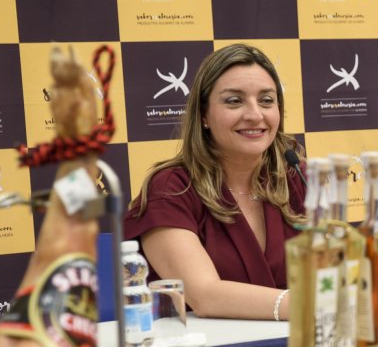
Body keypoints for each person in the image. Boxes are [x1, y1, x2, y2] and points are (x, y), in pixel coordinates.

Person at [123, 44, 305, 320]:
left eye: (266, 100)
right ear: (204, 115)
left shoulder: (295, 176)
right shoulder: (170, 189)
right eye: (234, 101)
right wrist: (316, 306)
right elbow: (204, 296)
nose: (255, 115)